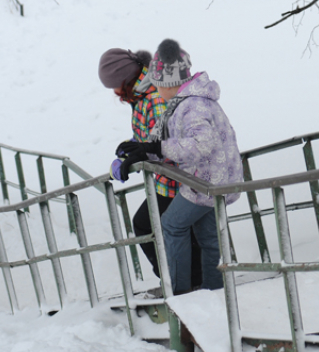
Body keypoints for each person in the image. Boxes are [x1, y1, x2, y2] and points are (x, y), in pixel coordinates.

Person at [115, 39, 243, 295]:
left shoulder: (191, 106)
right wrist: (138, 151)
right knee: (208, 238)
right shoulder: (187, 101)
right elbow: (164, 139)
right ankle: (213, 290)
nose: (155, 92)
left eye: (156, 86)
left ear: (167, 84)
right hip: (215, 181)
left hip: (205, 182)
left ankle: (180, 293)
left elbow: (201, 144)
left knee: (172, 225)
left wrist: (156, 149)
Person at [98, 47, 201, 288]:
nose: (114, 92)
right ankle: (183, 280)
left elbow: (170, 141)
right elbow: (154, 132)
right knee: (161, 227)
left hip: (180, 180)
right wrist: (132, 146)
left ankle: (184, 282)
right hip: (169, 180)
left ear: (126, 79)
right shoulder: (144, 95)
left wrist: (142, 152)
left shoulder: (153, 98)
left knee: (152, 226)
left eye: (115, 85)